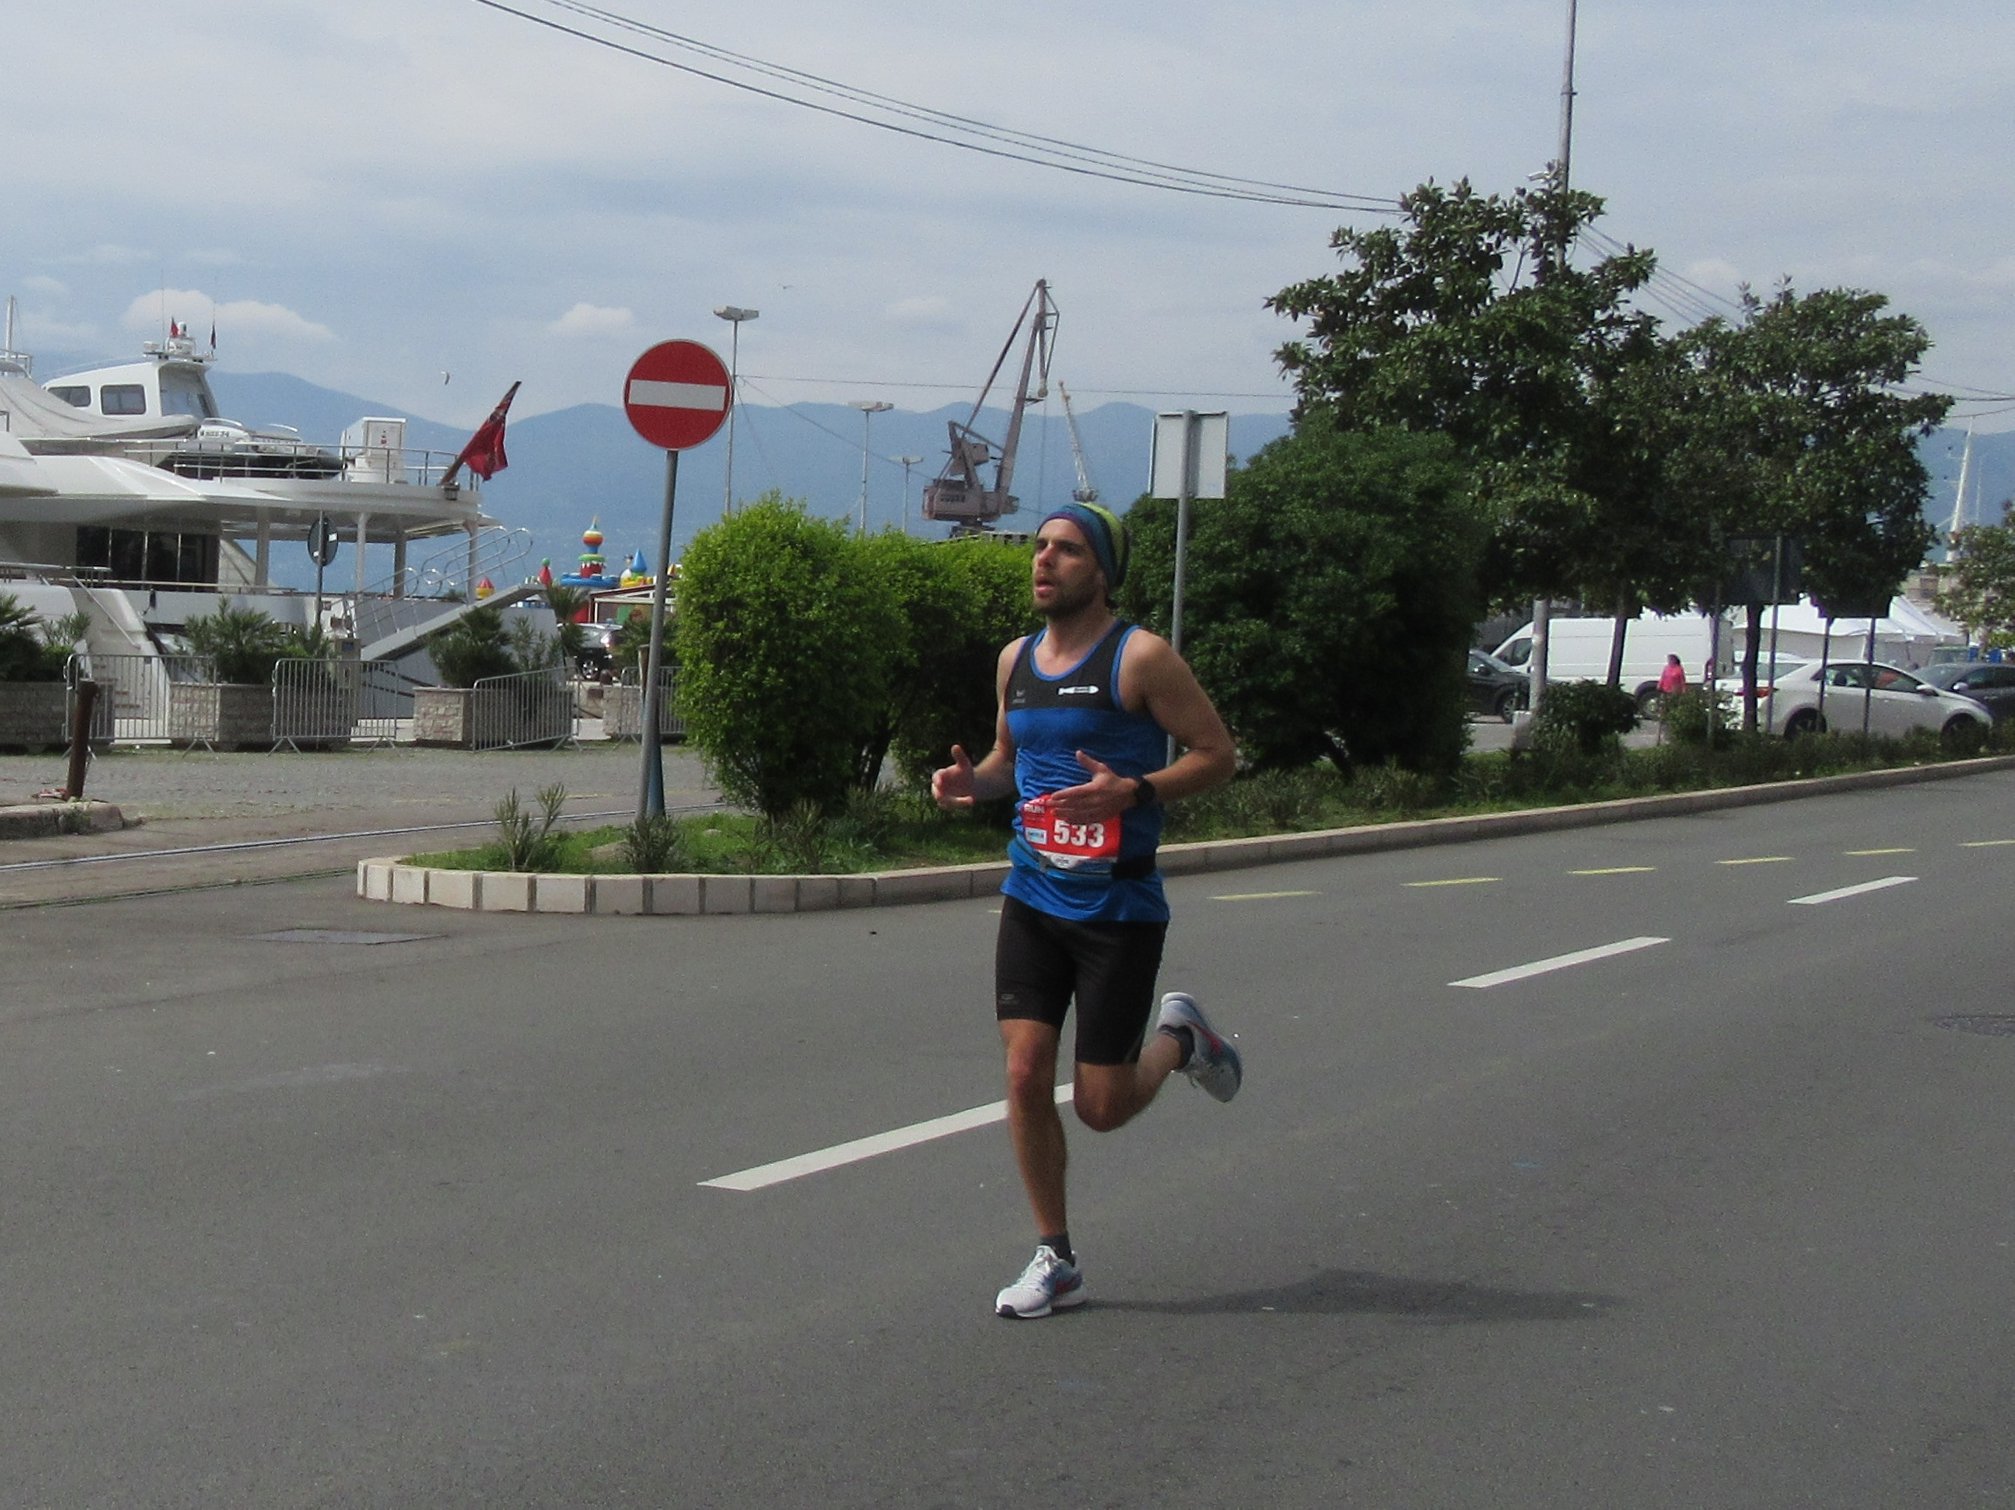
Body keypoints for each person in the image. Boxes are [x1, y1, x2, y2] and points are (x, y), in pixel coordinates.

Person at [931, 502, 1242, 1319]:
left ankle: (1181, 1041)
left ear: (1101, 571)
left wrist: (1131, 791)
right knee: (1026, 1069)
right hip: (1031, 895)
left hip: (1118, 907)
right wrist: (974, 785)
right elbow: (1009, 760)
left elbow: (1218, 756)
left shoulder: (1140, 659)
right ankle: (1054, 1255)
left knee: (1100, 1107)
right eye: (1039, 547)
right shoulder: (1015, 661)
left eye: (1065, 551)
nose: (1043, 561)